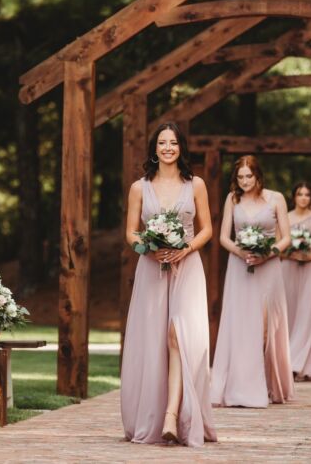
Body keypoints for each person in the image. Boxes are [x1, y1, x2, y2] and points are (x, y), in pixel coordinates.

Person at [120, 122, 217, 447]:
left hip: (187, 268)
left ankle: (173, 416)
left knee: (179, 336)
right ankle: (151, 413)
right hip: (151, 269)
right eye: (162, 143)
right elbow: (131, 232)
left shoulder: (196, 184)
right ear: (154, 148)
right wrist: (147, 248)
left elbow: (206, 229)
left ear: (181, 148)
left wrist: (185, 248)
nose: (168, 148)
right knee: (153, 340)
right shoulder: (139, 187)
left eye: (173, 143)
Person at [210, 155, 294, 408]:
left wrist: (267, 253)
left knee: (267, 326)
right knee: (242, 323)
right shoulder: (232, 199)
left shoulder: (276, 198)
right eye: (240, 177)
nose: (245, 181)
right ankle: (242, 385)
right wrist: (241, 253)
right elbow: (224, 237)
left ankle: (268, 382)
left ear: (258, 176)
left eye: (249, 176)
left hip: (269, 268)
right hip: (240, 266)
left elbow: (286, 239)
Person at [282, 182, 311, 381]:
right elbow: (278, 245)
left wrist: (310, 256)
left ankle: (298, 364)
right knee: (290, 314)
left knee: (308, 316)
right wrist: (290, 253)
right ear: (294, 197)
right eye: (300, 194)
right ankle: (287, 361)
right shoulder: (285, 218)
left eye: (307, 194)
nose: (303, 198)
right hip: (288, 268)